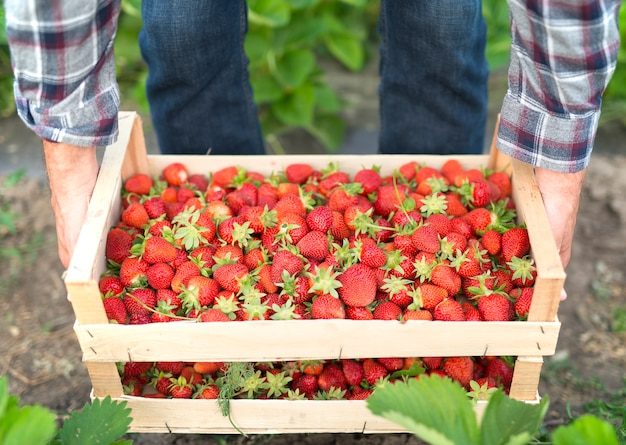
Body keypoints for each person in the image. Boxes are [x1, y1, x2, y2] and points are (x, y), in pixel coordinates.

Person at [4, 0, 620, 276]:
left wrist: (558, 160)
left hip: (402, 257)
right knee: (184, 30)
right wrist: (68, 154)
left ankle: (421, 244)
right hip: (245, 258)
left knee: (437, 23)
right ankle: (221, 240)